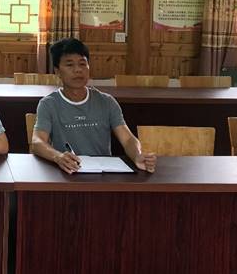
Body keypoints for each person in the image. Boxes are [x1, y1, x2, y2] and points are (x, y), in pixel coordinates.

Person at [31, 38, 157, 174]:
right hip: (67, 172)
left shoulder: (107, 102)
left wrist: (137, 155)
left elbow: (127, 139)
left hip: (103, 174)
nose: (78, 70)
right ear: (57, 71)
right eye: (70, 65)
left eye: (82, 64)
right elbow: (37, 142)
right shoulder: (49, 104)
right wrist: (58, 157)